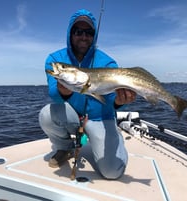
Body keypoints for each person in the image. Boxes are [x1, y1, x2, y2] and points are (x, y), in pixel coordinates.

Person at [39, 9, 136, 180]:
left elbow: (112, 100)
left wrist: (120, 103)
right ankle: (65, 147)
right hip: (72, 115)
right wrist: (63, 90)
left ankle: (115, 136)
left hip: (101, 118)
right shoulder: (55, 59)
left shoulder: (107, 62)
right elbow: (54, 94)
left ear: (94, 36)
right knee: (47, 114)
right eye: (78, 31)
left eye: (89, 32)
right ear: (70, 33)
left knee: (112, 172)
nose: (84, 37)